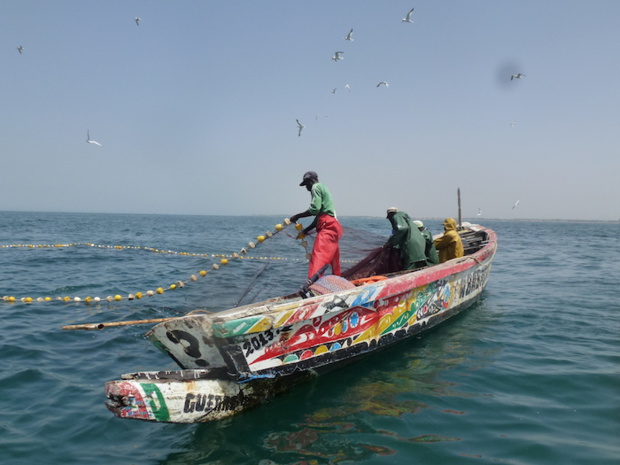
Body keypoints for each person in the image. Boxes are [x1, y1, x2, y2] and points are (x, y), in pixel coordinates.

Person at [290, 171, 343, 278]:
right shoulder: (324, 188)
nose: (306, 188)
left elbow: (314, 209)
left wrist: (297, 216)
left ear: (310, 181)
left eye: (306, 184)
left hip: (327, 227)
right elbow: (318, 218)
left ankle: (311, 287)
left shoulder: (315, 187)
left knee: (319, 257)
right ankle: (338, 283)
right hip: (334, 226)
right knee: (334, 260)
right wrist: (306, 231)